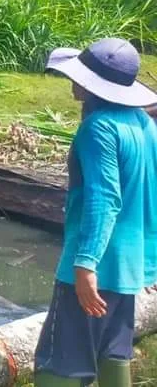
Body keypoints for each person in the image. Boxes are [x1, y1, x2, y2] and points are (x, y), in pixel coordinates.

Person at [33, 38, 157, 387]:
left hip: (94, 266)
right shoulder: (145, 124)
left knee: (60, 363)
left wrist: (86, 264)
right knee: (113, 354)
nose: (73, 81)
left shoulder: (99, 128)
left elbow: (105, 199)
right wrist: (151, 260)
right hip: (128, 268)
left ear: (90, 83)